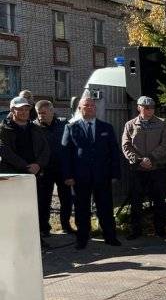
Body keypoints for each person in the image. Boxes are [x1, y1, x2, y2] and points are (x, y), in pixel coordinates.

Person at [61, 97, 121, 249]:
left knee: (106, 207)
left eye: (92, 105)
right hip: (80, 177)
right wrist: (68, 176)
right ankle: (82, 238)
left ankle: (110, 236)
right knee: (81, 209)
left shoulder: (106, 128)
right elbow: (65, 153)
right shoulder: (71, 127)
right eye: (86, 105)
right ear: (80, 108)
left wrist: (115, 173)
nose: (90, 108)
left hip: (102, 176)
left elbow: (114, 152)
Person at [122, 96, 166, 239]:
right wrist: (138, 160)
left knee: (159, 202)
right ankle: (136, 231)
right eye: (146, 107)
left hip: (157, 169)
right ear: (139, 108)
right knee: (136, 202)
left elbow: (164, 145)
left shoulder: (162, 124)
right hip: (138, 170)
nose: (149, 110)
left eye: (152, 108)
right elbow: (126, 146)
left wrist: (151, 159)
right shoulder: (130, 125)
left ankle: (160, 231)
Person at [0, 96, 50, 230]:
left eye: (26, 109)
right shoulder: (4, 128)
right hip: (13, 175)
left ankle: (35, 237)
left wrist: (38, 165)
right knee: (14, 208)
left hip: (35, 175)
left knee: (33, 207)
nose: (24, 112)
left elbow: (45, 149)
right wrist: (26, 166)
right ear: (12, 110)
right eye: (20, 109)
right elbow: (5, 151)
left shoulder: (35, 128)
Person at [34, 100, 73, 235]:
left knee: (66, 199)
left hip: (62, 168)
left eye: (43, 113)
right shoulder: (34, 127)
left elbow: (71, 144)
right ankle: (44, 228)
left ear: (52, 111)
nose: (41, 116)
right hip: (45, 170)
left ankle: (66, 225)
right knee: (44, 200)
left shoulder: (63, 123)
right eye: (38, 113)